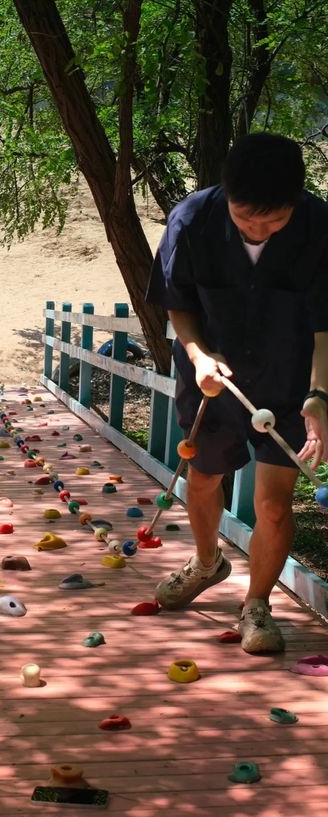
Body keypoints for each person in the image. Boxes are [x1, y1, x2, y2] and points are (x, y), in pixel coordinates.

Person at [145, 132, 328, 654]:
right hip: (211, 377)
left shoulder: (321, 228)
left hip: (291, 382)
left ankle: (257, 604)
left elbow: (325, 327)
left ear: (297, 200)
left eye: (273, 222)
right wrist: (199, 355)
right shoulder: (192, 219)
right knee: (203, 481)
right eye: (247, 218)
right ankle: (208, 562)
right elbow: (176, 303)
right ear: (226, 193)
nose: (258, 229)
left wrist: (319, 396)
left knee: (273, 505)